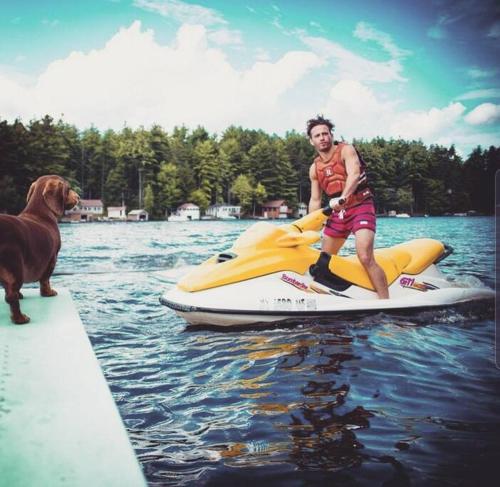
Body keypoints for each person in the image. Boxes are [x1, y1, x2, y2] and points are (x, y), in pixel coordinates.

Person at [307, 115, 389, 299]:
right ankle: (327, 298)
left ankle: (386, 302)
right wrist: (311, 224)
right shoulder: (315, 168)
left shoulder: (346, 150)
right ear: (311, 141)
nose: (322, 138)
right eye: (317, 135)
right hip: (338, 212)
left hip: (360, 204)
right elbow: (314, 199)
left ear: (331, 134)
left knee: (365, 256)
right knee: (322, 261)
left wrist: (343, 198)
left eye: (325, 133)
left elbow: (354, 174)